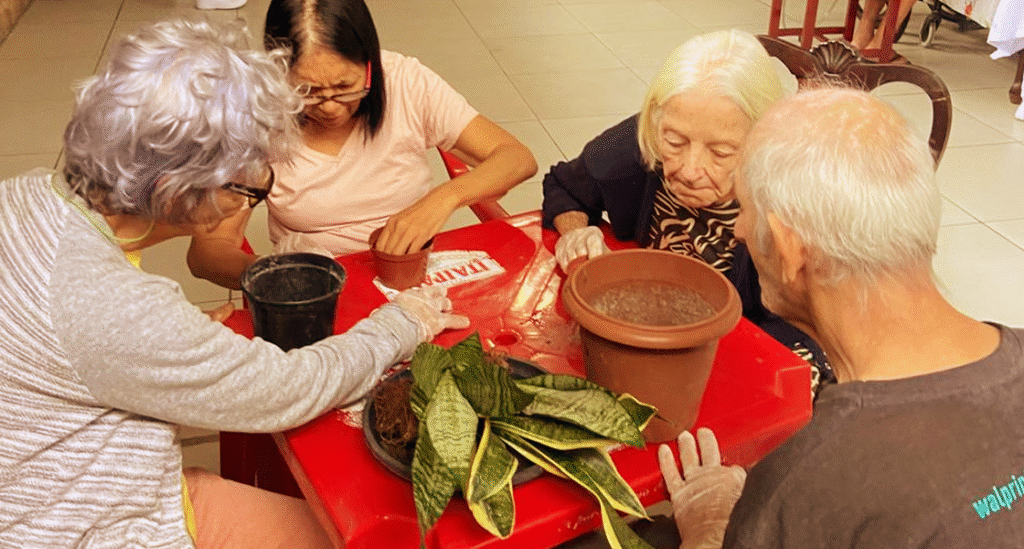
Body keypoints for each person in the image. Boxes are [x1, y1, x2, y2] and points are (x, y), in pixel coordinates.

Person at [0, 18, 468, 549]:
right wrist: (402, 322)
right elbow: (289, 389)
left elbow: (63, 338)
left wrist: (164, 346)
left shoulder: (23, 194)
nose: (247, 200)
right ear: (181, 191)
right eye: (245, 187)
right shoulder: (113, 307)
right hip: (75, 523)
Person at [658, 87, 1024, 548]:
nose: (737, 229)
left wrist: (710, 528)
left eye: (746, 211)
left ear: (789, 250)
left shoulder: (811, 482)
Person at [541, 29, 829, 383]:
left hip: (742, 360)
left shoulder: (795, 201)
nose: (690, 171)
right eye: (675, 141)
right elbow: (564, 185)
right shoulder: (637, 143)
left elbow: (816, 330)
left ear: (763, 140)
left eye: (721, 152)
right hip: (647, 342)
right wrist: (576, 231)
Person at [186, 0, 537, 289]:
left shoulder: (406, 83)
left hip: (410, 273)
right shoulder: (253, 113)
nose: (329, 106)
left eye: (345, 86)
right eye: (306, 91)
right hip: (318, 284)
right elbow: (209, 250)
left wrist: (442, 199)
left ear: (370, 65)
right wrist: (276, 280)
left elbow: (516, 158)